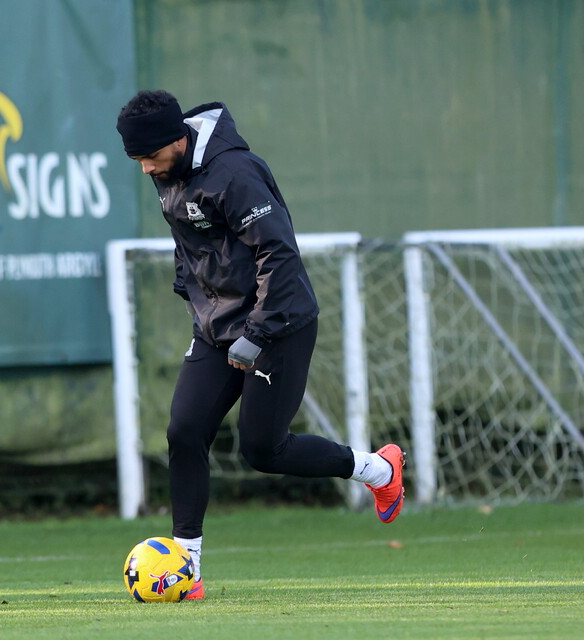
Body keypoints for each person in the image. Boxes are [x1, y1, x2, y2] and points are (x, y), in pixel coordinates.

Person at [115, 90, 405, 600]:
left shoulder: (236, 174)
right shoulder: (167, 172)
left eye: (151, 157)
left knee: (263, 449)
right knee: (185, 430)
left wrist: (256, 333)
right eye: (137, 160)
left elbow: (280, 255)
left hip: (279, 322)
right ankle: (188, 569)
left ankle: (379, 470)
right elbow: (190, 247)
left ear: (178, 140)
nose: (146, 169)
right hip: (217, 327)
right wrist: (197, 302)